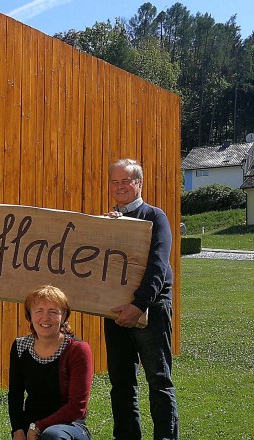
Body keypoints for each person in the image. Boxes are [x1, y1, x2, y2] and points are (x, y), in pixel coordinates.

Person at [104, 158, 178, 439]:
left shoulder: (155, 217)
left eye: (127, 181)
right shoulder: (108, 221)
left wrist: (139, 305)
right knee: (121, 383)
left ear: (139, 184)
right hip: (114, 311)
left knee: (159, 381)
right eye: (115, 181)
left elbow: (158, 266)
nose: (120, 186)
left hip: (151, 309)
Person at [8, 285, 93, 440]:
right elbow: (15, 394)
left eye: (53, 312)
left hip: (70, 426)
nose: (45, 318)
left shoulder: (78, 350)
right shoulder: (20, 346)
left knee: (51, 436)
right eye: (39, 311)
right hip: (30, 426)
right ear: (30, 315)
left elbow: (77, 407)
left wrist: (39, 427)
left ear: (64, 315)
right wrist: (18, 429)